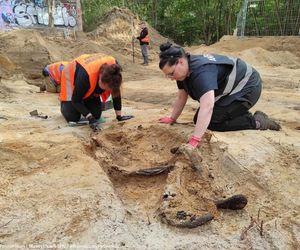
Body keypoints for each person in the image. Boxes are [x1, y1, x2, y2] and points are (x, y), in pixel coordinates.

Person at [158, 42, 281, 148]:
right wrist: (172, 118)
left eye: (171, 73)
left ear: (180, 62)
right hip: (233, 88)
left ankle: (257, 122)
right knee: (200, 119)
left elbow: (207, 106)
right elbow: (182, 96)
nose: (171, 78)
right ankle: (236, 112)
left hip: (248, 87)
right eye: (168, 75)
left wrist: (195, 140)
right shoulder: (184, 72)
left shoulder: (202, 72)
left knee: (212, 122)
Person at [59, 53, 133, 131]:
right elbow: (76, 100)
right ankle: (64, 104)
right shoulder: (85, 76)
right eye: (106, 88)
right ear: (100, 77)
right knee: (72, 117)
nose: (106, 91)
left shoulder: (114, 71)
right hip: (71, 76)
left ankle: (86, 100)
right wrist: (90, 118)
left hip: (89, 80)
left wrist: (119, 116)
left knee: (96, 115)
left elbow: (116, 92)